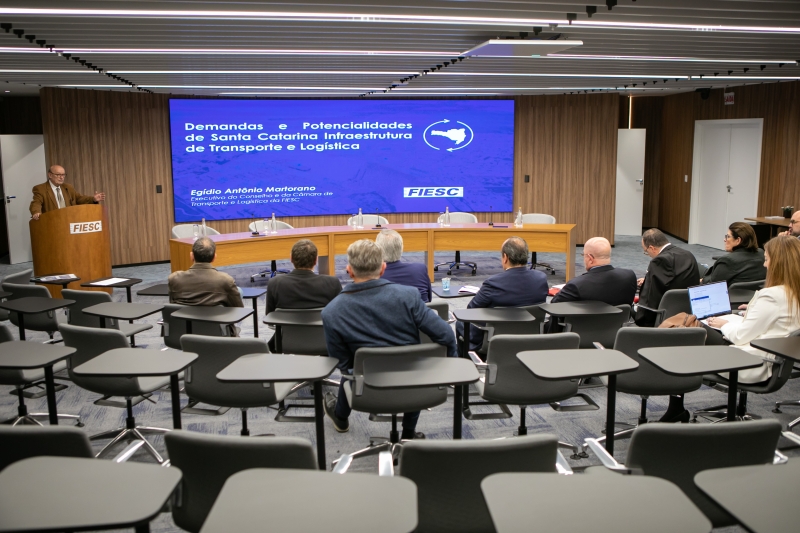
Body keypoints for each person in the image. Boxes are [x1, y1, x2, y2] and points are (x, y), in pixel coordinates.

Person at [321, 239, 457, 439]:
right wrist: (451, 368)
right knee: (413, 358)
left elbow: (342, 364)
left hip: (365, 392)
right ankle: (409, 433)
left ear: (349, 271)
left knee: (352, 369)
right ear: (383, 268)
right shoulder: (408, 296)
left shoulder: (331, 312)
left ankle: (341, 418)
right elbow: (445, 335)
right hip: (415, 386)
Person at [660, 236, 800, 423]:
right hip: (771, 359)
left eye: (766, 259)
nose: (765, 265)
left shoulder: (772, 296)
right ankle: (675, 405)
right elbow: (774, 323)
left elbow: (742, 336)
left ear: (779, 263)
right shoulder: (793, 292)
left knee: (688, 328)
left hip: (750, 362)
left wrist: (724, 324)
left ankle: (674, 405)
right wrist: (749, 312)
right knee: (691, 326)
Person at [456, 237, 548, 351]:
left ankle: (466, 360)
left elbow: (471, 310)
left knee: (460, 323)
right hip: (532, 337)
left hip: (496, 340)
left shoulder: (494, 283)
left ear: (505, 257)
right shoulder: (541, 278)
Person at [546, 237, 636, 333]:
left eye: (583, 255)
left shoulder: (577, 285)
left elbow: (554, 306)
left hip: (579, 338)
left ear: (590, 258)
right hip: (616, 336)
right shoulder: (629, 276)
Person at [266, 239, 342, 350]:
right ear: (316, 260)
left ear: (291, 258)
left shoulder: (275, 284)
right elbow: (339, 318)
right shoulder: (332, 283)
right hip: (325, 345)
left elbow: (270, 318)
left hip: (285, 345)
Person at [634, 229, 700, 327]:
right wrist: (649, 279)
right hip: (690, 311)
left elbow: (651, 297)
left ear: (652, 248)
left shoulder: (659, 261)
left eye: (646, 252)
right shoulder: (688, 254)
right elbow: (676, 278)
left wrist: (640, 317)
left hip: (665, 316)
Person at [168, 237, 244, 308]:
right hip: (214, 321)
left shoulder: (174, 279)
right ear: (214, 257)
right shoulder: (226, 280)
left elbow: (173, 304)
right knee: (238, 291)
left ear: (191, 256)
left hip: (183, 321)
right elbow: (238, 309)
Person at [29, 165, 106, 220]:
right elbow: (36, 203)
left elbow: (78, 198)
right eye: (58, 175)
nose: (61, 177)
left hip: (69, 221)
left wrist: (93, 199)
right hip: (52, 223)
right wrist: (36, 212)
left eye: (63, 175)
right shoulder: (40, 189)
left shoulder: (68, 187)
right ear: (50, 175)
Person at [701, 222, 766, 286]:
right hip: (754, 294)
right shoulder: (761, 253)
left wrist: (701, 280)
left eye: (728, 236)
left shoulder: (727, 261)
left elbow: (711, 285)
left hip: (730, 295)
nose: (724, 239)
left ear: (738, 240)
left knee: (696, 266)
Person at [375, 229, 431, 302]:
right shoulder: (420, 269)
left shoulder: (372, 276)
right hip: (418, 313)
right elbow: (428, 301)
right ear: (401, 248)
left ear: (378, 250)